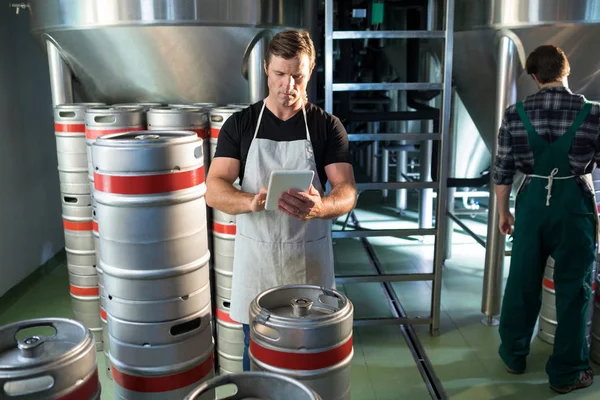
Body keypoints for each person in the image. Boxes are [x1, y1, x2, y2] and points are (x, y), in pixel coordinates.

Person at [205, 29, 357, 371]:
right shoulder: (241, 125)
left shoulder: (326, 127)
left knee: (309, 360)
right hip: (257, 265)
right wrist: (250, 201)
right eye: (280, 74)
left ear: (311, 69)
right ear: (265, 68)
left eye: (297, 76)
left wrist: (323, 207)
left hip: (309, 267)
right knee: (258, 356)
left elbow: (346, 191)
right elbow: (214, 188)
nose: (288, 85)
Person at [493, 44, 599, 394]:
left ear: (534, 77)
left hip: (533, 203)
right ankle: (567, 373)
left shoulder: (514, 113)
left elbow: (503, 169)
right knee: (574, 289)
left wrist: (504, 211)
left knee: (522, 282)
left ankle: (513, 355)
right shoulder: (594, 113)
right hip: (576, 206)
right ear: (566, 72)